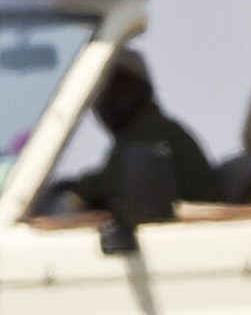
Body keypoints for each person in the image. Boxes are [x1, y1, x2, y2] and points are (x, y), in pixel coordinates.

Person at [69, 47, 219, 213]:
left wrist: (73, 189)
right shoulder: (139, 133)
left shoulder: (153, 135)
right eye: (96, 93)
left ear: (141, 88)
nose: (104, 101)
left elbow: (110, 185)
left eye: (116, 87)